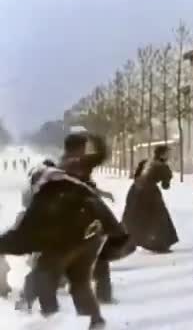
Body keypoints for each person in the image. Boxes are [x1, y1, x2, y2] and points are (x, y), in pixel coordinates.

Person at [0, 133, 126, 329]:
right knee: (79, 282)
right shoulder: (74, 172)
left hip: (67, 238)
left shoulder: (51, 188)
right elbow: (94, 167)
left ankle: (50, 319)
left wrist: (3, 244)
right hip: (88, 236)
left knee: (44, 276)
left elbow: (25, 234)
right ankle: (95, 321)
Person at [122, 145, 177, 253]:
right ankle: (159, 244)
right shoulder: (163, 166)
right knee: (158, 217)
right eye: (167, 153)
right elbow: (165, 186)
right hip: (149, 193)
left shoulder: (145, 162)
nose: (169, 155)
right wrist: (168, 177)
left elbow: (136, 175)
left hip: (135, 190)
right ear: (162, 154)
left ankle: (125, 240)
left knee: (133, 216)